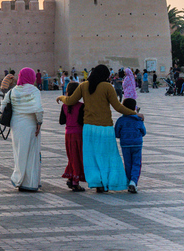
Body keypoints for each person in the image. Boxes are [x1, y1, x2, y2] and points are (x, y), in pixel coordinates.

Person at [58, 64, 142, 193]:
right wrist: (135, 113)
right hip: (105, 128)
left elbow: (70, 101)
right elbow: (118, 107)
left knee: (92, 158)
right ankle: (108, 181)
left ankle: (98, 183)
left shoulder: (83, 86)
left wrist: (61, 97)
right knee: (108, 156)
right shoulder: (107, 87)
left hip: (89, 128)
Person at [0, 67, 43, 192]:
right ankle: (30, 183)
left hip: (16, 125)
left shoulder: (13, 91)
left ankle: (19, 179)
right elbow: (38, 108)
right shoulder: (34, 90)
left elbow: (3, 108)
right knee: (31, 153)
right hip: (30, 125)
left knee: (19, 152)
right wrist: (39, 122)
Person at [115, 98, 146, 193]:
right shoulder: (138, 120)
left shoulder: (121, 120)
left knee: (128, 163)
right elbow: (143, 132)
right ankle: (134, 181)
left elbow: (116, 133)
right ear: (134, 108)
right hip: (137, 144)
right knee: (136, 163)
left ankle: (129, 181)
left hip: (125, 145)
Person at [59, 82, 85, 192]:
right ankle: (75, 181)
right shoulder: (81, 106)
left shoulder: (64, 106)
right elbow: (81, 121)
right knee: (77, 157)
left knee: (72, 157)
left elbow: (61, 121)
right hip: (78, 134)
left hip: (68, 134)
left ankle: (70, 177)